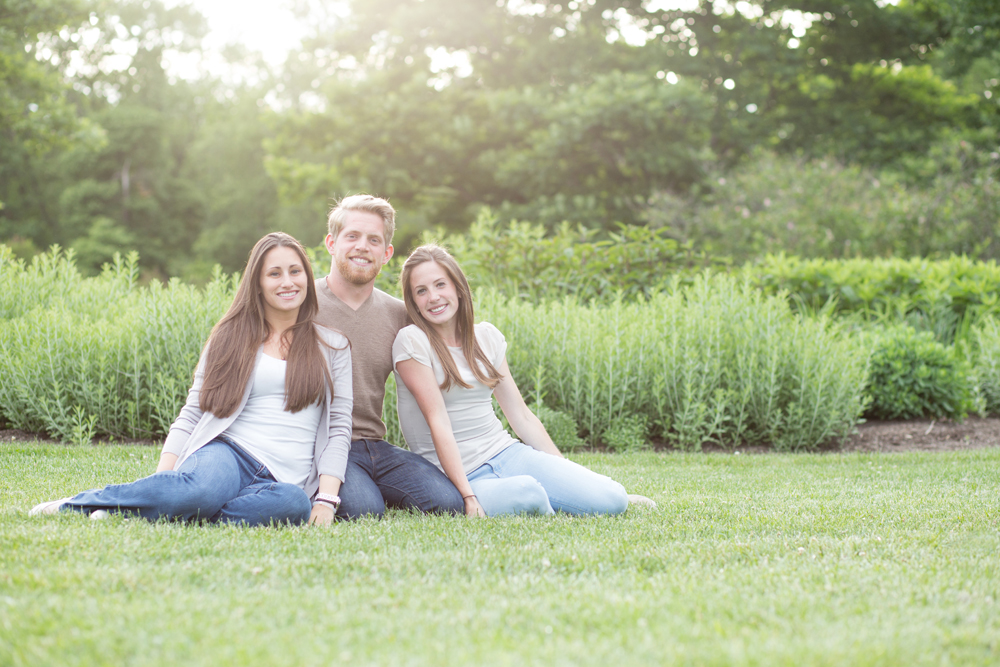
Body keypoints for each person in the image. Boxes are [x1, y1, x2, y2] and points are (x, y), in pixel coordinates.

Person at [30, 232, 352, 527]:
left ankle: (164, 515)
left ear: (308, 277)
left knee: (293, 506)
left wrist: (325, 499)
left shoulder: (333, 345)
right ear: (257, 284)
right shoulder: (230, 337)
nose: (287, 282)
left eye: (295, 271)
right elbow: (193, 411)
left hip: (283, 480)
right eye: (274, 273)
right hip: (228, 454)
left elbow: (338, 428)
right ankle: (80, 504)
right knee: (199, 492)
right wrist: (165, 483)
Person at [392, 244, 632, 518]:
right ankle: (547, 504)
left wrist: (565, 472)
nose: (433, 297)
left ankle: (577, 495)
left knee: (614, 500)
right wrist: (467, 496)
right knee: (528, 493)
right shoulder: (412, 342)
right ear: (413, 302)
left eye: (440, 285)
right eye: (421, 291)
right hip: (461, 473)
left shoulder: (487, 337)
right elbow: (438, 422)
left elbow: (520, 415)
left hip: (507, 453)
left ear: (458, 288)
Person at [314, 195, 464, 519]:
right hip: (323, 444)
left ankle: (369, 483)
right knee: (365, 511)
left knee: (448, 503)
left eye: (374, 240)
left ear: (387, 253)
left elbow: (448, 344)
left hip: (374, 445)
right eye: (352, 236)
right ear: (331, 243)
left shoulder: (400, 315)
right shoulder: (303, 304)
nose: (362, 247)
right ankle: (354, 489)